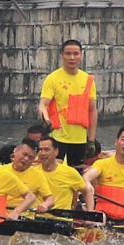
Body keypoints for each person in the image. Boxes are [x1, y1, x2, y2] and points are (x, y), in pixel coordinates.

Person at [37, 39, 98, 167]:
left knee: (76, 173)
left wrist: (91, 140)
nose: (72, 57)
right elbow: (43, 104)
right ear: (61, 56)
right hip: (58, 137)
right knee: (54, 171)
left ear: (81, 55)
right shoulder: (53, 79)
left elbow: (92, 110)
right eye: (68, 54)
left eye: (75, 54)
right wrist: (46, 119)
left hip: (80, 139)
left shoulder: (88, 80)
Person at [0, 138, 55, 214]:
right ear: (16, 151)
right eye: (24, 154)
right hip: (1, 215)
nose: (26, 159)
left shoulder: (37, 174)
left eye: (30, 157)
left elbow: (50, 199)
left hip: (25, 217)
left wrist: (45, 205)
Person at [37, 137, 88, 211]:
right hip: (38, 217)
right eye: (40, 150)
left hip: (62, 219)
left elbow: (86, 192)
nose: (42, 153)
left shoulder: (70, 172)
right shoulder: (33, 172)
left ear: (56, 152)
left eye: (46, 150)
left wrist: (90, 211)